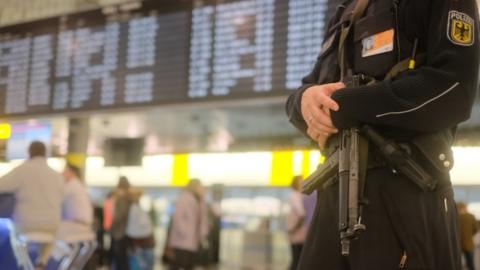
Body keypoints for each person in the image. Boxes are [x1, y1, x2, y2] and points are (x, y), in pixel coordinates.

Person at [285, 0, 480, 269]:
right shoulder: (346, 11)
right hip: (334, 193)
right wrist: (302, 102)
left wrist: (346, 106)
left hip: (407, 190)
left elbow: (454, 89)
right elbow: (311, 88)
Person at [0, 141, 64, 267]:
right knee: (50, 239)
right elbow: (62, 197)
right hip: (51, 225)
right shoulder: (57, 175)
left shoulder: (22, 170)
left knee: (14, 233)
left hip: (25, 224)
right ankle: (41, 262)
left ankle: (23, 264)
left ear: (28, 153)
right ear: (45, 154)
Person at [168, 179, 209, 270]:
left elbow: (202, 220)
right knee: (178, 265)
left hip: (194, 240)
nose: (202, 188)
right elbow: (177, 218)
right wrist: (185, 232)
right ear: (194, 187)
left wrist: (203, 233)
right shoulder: (184, 199)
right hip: (182, 241)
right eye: (200, 186)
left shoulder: (200, 201)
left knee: (189, 265)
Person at [56, 163, 94, 239]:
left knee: (48, 233)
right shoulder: (78, 185)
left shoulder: (71, 185)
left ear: (72, 172)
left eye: (65, 171)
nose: (62, 174)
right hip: (83, 225)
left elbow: (55, 201)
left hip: (75, 225)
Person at [110, 176, 133, 270]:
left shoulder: (122, 199)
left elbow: (119, 216)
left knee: (121, 259)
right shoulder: (130, 198)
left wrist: (112, 226)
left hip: (120, 233)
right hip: (128, 232)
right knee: (124, 258)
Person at [286, 176, 307, 270]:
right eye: (300, 182)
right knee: (297, 259)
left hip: (298, 232)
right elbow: (301, 213)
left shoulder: (301, 196)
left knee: (297, 259)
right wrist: (294, 228)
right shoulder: (295, 196)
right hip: (297, 233)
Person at [457, 202, 478, 270]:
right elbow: (476, 229)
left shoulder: (455, 217)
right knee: (471, 264)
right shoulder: (471, 216)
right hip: (469, 244)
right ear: (465, 208)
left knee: (457, 264)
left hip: (457, 245)